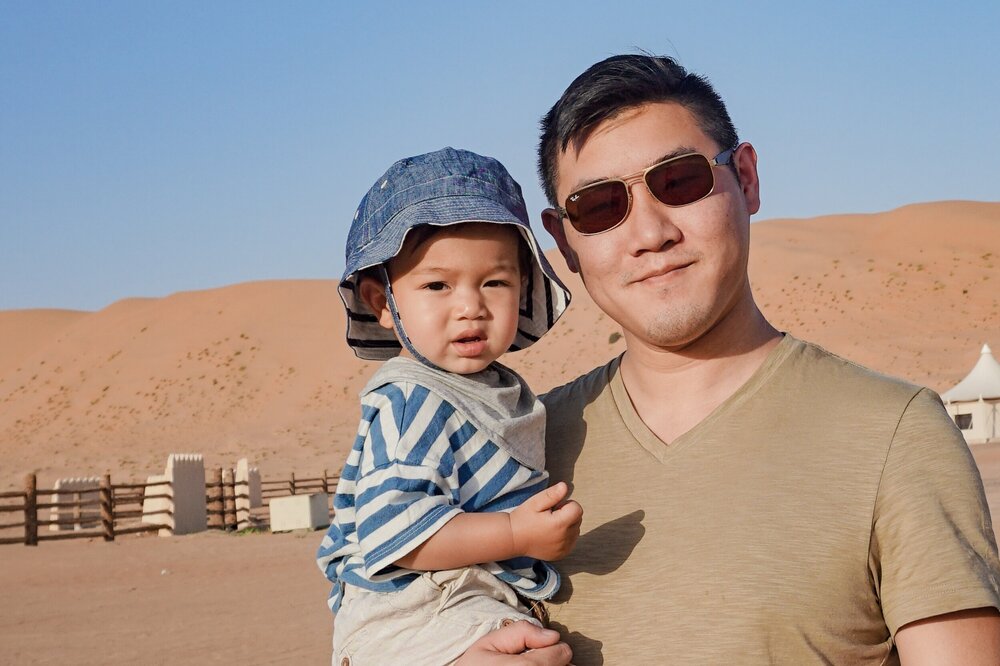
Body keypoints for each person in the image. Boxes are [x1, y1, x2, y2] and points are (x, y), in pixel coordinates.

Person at [459, 54, 1000, 664]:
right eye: (601, 207)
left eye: (681, 181)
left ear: (746, 178)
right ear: (565, 242)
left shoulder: (895, 435)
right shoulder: (507, 449)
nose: (650, 233)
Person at [316, 147, 583, 665]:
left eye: (495, 282)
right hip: (408, 610)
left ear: (524, 290)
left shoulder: (495, 390)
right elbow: (397, 534)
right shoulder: (411, 400)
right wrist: (514, 533)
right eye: (437, 285)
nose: (471, 307)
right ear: (381, 304)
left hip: (460, 599)